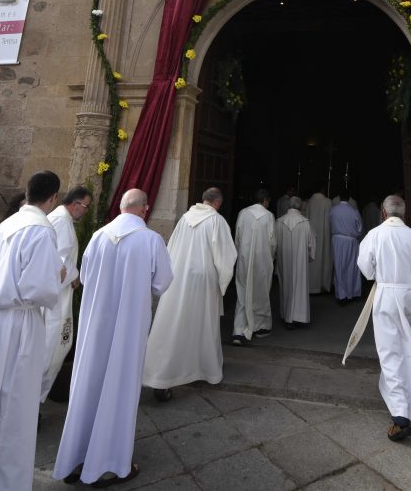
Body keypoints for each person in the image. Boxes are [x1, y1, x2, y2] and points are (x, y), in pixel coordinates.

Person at [53, 188, 172, 487]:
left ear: (121, 207)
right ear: (144, 209)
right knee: (120, 389)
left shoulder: (98, 237)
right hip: (127, 329)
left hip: (96, 326)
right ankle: (111, 464)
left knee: (87, 386)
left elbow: (85, 278)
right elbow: (162, 283)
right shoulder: (151, 240)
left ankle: (74, 459)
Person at [0, 170, 63, 491]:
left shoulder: (6, 224)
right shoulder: (42, 230)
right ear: (53, 198)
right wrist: (58, 274)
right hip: (17, 326)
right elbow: (40, 289)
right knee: (12, 408)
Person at [143, 187, 237, 396]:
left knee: (176, 323)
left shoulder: (185, 219)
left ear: (203, 200)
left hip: (179, 278)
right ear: (217, 203)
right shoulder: (217, 221)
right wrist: (223, 284)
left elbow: (171, 249)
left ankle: (163, 374)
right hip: (204, 281)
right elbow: (226, 257)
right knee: (203, 324)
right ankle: (205, 368)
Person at [357, 194, 411, 442]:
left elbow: (366, 270)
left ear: (383, 213)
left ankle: (401, 417)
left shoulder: (375, 235)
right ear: (404, 214)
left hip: (388, 295)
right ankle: (408, 402)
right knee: (408, 347)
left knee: (390, 351)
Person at [40, 184, 93, 404]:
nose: (86, 211)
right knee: (53, 348)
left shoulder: (60, 219)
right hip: (55, 298)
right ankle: (36, 401)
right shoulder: (62, 222)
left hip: (56, 295)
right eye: (85, 206)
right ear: (75, 203)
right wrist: (75, 276)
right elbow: (59, 261)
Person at [232, 188, 276, 345]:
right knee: (260, 292)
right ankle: (260, 326)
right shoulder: (269, 216)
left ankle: (239, 330)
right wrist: (271, 257)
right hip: (262, 260)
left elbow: (237, 236)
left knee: (242, 292)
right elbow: (272, 242)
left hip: (244, 258)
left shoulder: (243, 213)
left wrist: (239, 253)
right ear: (265, 200)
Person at [275, 196, 316, 327]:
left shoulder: (279, 222)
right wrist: (309, 257)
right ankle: (298, 316)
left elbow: (273, 244)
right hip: (300, 260)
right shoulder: (305, 222)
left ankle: (286, 314)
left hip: (284, 260)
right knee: (299, 285)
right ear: (300, 206)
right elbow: (311, 244)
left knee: (286, 284)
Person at [329, 190, 363, 304]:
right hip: (351, 241)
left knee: (339, 267)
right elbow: (360, 228)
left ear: (339, 198)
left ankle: (342, 295)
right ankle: (353, 292)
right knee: (352, 267)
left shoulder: (333, 210)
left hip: (337, 240)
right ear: (349, 198)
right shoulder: (354, 211)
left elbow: (330, 223)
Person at [304, 185, 333, 294]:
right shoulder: (328, 202)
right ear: (323, 189)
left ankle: (311, 286)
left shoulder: (309, 202)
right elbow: (330, 219)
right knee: (324, 257)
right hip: (324, 234)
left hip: (311, 234)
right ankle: (323, 284)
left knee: (312, 258)